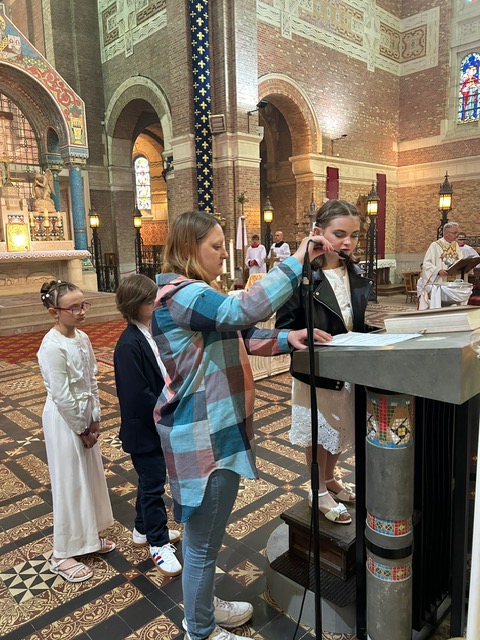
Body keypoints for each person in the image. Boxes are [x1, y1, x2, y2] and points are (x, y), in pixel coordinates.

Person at [151, 210, 333, 640]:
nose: (223, 254)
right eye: (215, 246)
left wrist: (287, 338)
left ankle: (203, 606)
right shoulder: (181, 294)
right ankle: (201, 629)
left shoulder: (195, 296)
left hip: (216, 430)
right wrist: (296, 259)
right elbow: (243, 309)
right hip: (203, 436)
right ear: (188, 249)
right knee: (201, 544)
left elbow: (238, 334)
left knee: (205, 539)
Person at [276, 199, 374, 525]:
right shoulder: (302, 276)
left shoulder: (356, 273)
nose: (348, 242)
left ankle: (330, 478)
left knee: (340, 428)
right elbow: (283, 328)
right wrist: (304, 334)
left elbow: (354, 321)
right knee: (320, 432)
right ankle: (317, 490)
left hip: (348, 366)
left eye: (354, 235)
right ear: (317, 232)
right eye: (339, 234)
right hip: (317, 369)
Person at [37, 280, 115, 583]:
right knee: (69, 483)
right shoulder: (51, 346)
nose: (82, 311)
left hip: (84, 417)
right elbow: (61, 395)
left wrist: (95, 417)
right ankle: (61, 554)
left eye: (84, 305)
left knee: (89, 478)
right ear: (54, 312)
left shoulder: (82, 338)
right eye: (74, 307)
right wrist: (82, 428)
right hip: (63, 420)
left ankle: (87, 538)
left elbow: (91, 379)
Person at [114, 274, 182, 577]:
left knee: (149, 480)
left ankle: (142, 529)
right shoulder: (128, 344)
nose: (156, 304)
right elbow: (137, 395)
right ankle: (158, 543)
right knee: (154, 485)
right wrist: (167, 410)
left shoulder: (149, 332)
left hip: (155, 422)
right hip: (144, 428)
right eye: (149, 300)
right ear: (135, 305)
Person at [419, 222, 463, 309]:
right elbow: (426, 264)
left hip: (454, 282)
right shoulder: (435, 245)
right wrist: (438, 270)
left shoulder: (456, 245)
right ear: (446, 233)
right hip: (440, 281)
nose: (457, 235)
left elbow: (460, 260)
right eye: (455, 233)